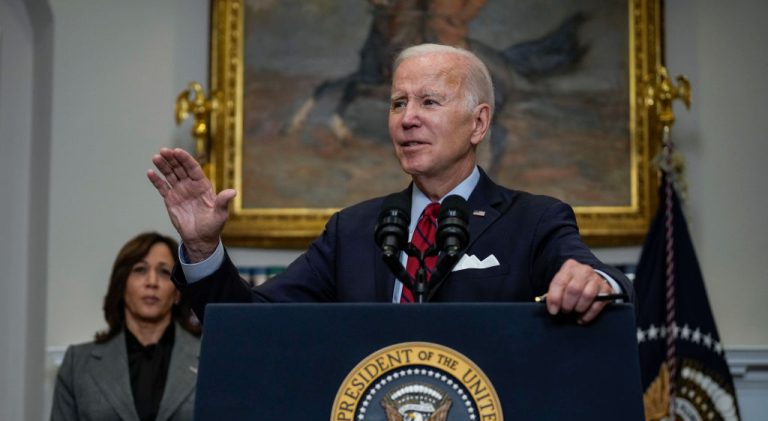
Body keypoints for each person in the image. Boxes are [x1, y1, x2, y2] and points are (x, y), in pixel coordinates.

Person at [146, 43, 632, 323]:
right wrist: (204, 246)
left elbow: (603, 280)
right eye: (398, 103)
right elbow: (248, 323)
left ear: (479, 124)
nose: (407, 119)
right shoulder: (352, 231)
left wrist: (594, 282)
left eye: (429, 103)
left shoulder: (533, 220)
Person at [41, 232, 202, 421]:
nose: (151, 282)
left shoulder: (208, 357)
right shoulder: (79, 364)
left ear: (177, 292)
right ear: (122, 284)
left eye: (164, 273)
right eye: (140, 270)